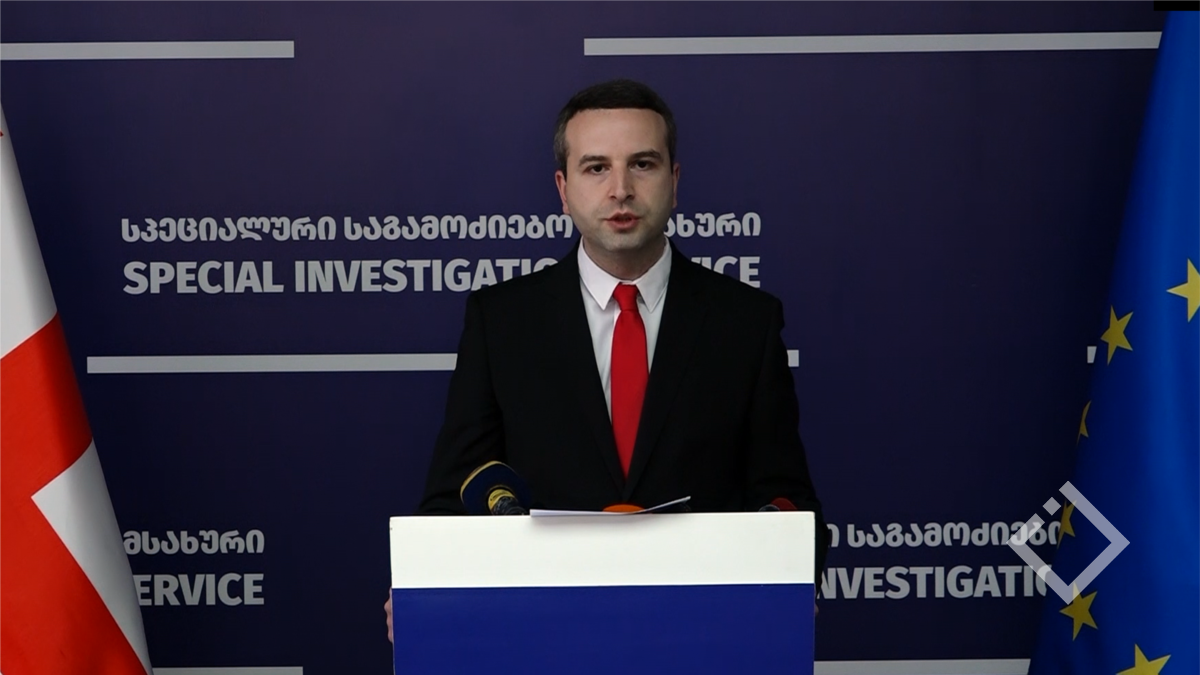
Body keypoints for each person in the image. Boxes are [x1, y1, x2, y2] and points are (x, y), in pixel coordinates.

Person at [386, 79, 826, 642]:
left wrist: (789, 580)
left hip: (698, 637)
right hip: (544, 637)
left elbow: (785, 499)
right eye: (596, 168)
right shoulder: (501, 322)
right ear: (563, 189)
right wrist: (424, 590)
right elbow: (456, 497)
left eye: (642, 164)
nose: (621, 189)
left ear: (674, 182)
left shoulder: (746, 322)